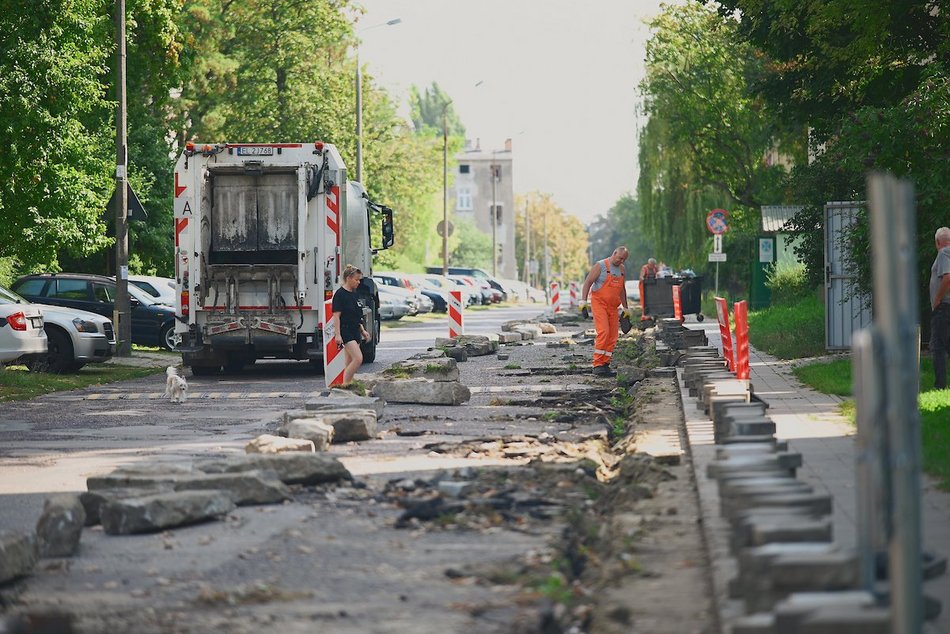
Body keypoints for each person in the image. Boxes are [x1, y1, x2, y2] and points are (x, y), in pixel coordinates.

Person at [580, 247, 630, 377]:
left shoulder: (622, 270)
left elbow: (622, 290)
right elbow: (588, 282)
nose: (621, 261)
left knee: (613, 336)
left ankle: (605, 363)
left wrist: (626, 309)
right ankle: (597, 364)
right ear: (614, 253)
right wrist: (583, 302)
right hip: (599, 304)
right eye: (620, 257)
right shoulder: (601, 265)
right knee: (604, 332)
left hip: (613, 307)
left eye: (624, 259)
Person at [332, 265, 370, 386]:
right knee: (358, 358)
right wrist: (337, 335)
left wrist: (363, 330)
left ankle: (346, 383)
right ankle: (346, 385)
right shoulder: (340, 294)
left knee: (349, 362)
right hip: (345, 330)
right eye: (356, 279)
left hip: (355, 330)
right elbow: (336, 316)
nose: (358, 282)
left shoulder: (354, 294)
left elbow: (356, 315)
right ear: (348, 278)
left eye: (359, 280)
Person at [930, 227, 950, 389]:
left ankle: (940, 386)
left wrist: (937, 299)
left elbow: (948, 277)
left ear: (937, 242)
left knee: (938, 346)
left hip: (943, 308)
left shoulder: (943, 253)